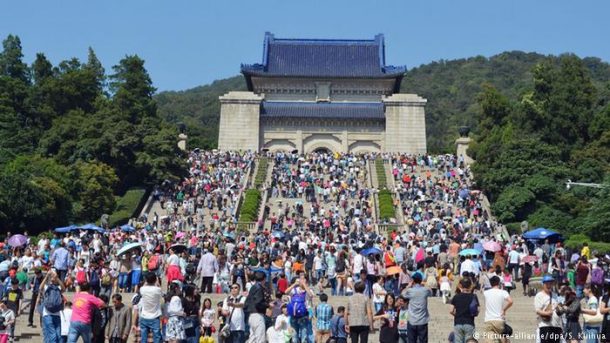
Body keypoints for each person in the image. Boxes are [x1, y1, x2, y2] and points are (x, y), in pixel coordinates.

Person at [483, 275, 513, 343]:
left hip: (489, 319)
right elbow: (511, 301)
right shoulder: (503, 292)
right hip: (499, 319)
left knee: (488, 339)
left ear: (490, 283)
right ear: (499, 283)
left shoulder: (486, 293)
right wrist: (504, 310)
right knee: (502, 337)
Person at [38, 269, 65, 343]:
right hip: (47, 314)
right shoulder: (47, 287)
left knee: (58, 334)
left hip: (57, 314)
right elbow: (40, 288)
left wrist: (57, 278)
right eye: (52, 276)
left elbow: (63, 288)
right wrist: (47, 276)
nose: (53, 277)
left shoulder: (58, 288)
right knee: (53, 335)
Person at [404, 272, 432, 342]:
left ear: (413, 280)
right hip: (422, 320)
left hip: (412, 320)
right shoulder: (425, 290)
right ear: (421, 280)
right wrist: (425, 284)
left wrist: (408, 286)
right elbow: (431, 292)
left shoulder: (410, 291)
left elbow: (402, 294)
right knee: (423, 341)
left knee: (411, 340)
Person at [534, 275, 562, 343]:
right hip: (545, 325)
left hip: (556, 325)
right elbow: (537, 310)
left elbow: (557, 307)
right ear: (543, 284)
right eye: (547, 283)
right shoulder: (539, 295)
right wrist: (547, 313)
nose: (549, 285)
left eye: (550, 283)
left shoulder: (555, 295)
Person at [450, 278, 478, 343]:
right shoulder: (473, 296)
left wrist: (456, 315)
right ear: (470, 286)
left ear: (460, 286)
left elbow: (451, 310)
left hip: (458, 322)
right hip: (469, 322)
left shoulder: (456, 296)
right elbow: (477, 311)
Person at [139, 272, 163, 343]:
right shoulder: (157, 290)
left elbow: (144, 286)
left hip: (144, 316)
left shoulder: (142, 289)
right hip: (155, 317)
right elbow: (160, 291)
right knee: (156, 337)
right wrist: (157, 282)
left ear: (146, 280)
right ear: (155, 280)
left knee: (143, 337)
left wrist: (146, 281)